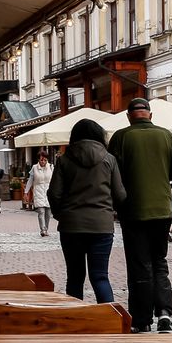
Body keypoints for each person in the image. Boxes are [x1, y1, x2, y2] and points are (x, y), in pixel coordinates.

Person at [108, 97, 172, 333]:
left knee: (139, 264)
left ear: (129, 116)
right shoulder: (166, 135)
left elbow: (112, 173)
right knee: (159, 262)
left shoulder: (121, 137)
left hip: (133, 210)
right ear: (150, 115)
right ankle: (164, 313)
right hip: (161, 210)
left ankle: (141, 320)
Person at [48, 119, 126, 302]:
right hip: (101, 225)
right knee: (100, 276)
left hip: (71, 226)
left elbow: (54, 193)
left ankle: (74, 321)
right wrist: (110, 211)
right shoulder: (109, 159)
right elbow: (120, 194)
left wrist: (62, 214)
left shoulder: (64, 160)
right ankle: (108, 320)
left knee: (74, 277)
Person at [26, 154, 54, 236]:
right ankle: (43, 230)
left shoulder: (51, 167)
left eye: (45, 160)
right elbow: (30, 181)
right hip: (38, 192)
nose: (43, 162)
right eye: (41, 160)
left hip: (49, 192)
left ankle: (46, 229)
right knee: (41, 212)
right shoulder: (34, 168)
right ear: (38, 160)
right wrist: (26, 192)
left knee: (48, 213)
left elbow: (55, 180)